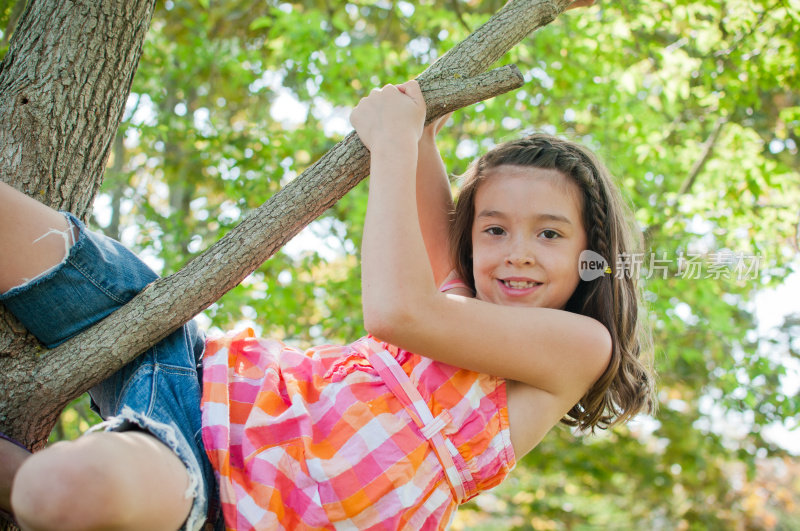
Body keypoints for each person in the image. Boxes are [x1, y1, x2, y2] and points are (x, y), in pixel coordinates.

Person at [0, 79, 654, 530]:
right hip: (195, 372)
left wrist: (396, 143)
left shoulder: (577, 346)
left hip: (214, 489)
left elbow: (398, 312)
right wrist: (415, 124)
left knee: (50, 491)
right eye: (494, 228)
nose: (516, 252)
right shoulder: (456, 286)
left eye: (549, 232)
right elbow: (411, 125)